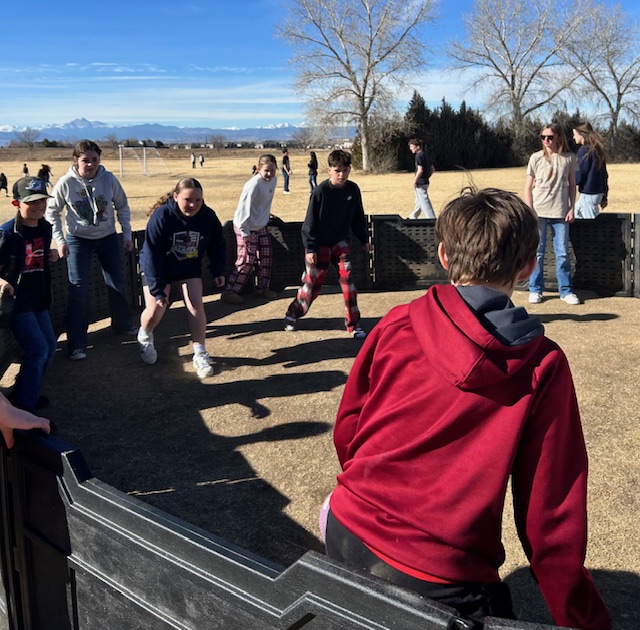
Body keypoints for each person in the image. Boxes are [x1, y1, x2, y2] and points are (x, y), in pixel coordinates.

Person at [325, 187, 611, 629]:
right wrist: (585, 620)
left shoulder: (396, 322)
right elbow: (550, 518)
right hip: (443, 577)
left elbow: (348, 429)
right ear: (530, 265)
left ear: (442, 254)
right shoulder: (542, 365)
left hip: (344, 525)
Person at [46, 140, 137, 361]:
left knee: (116, 281)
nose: (90, 164)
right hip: (78, 240)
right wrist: (60, 240)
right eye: (85, 160)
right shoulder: (66, 183)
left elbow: (122, 206)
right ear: (76, 160)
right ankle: (77, 343)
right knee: (78, 289)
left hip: (106, 237)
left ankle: (123, 324)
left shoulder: (109, 179)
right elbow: (52, 212)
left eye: (95, 160)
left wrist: (126, 234)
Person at [137, 178, 225, 379]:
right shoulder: (162, 216)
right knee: (156, 309)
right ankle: (145, 334)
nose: (193, 205)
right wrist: (158, 289)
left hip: (187, 267)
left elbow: (216, 244)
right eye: (187, 199)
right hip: (159, 267)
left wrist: (218, 271)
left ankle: (200, 352)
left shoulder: (208, 217)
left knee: (195, 304)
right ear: (176, 197)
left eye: (198, 200)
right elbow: (151, 254)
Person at [284, 149, 372, 339]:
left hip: (341, 243)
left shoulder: (353, 190)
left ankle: (353, 324)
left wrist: (364, 239)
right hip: (319, 244)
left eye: (346, 170)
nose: (342, 175)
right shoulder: (320, 191)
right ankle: (293, 313)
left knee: (349, 284)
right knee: (312, 286)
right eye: (337, 170)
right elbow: (309, 222)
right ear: (329, 170)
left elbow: (358, 217)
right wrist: (310, 248)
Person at [0, 177, 59, 414]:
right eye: (32, 202)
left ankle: (24, 391)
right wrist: (1, 281)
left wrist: (50, 255)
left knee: (50, 347)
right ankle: (25, 405)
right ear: (16, 203)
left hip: (38, 299)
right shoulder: (7, 233)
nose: (39, 206)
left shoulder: (45, 228)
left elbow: (38, 259)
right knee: (38, 349)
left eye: (43, 200)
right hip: (17, 304)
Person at [524, 123, 579, 305]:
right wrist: (529, 209)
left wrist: (572, 207)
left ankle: (566, 290)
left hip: (561, 211)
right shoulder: (536, 158)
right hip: (539, 211)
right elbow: (528, 187)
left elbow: (572, 185)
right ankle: (535, 289)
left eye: (550, 137)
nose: (546, 141)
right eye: (543, 137)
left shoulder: (569, 158)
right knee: (537, 253)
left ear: (558, 138)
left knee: (562, 253)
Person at [221, 155, 278, 305]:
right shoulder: (253, 185)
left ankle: (262, 288)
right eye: (266, 170)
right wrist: (244, 230)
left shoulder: (273, 180)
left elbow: (263, 204)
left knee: (267, 256)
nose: (270, 173)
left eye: (272, 170)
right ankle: (230, 291)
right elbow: (243, 207)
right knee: (246, 260)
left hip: (261, 225)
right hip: (245, 226)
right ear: (259, 169)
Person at [573, 122, 609, 220]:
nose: (573, 137)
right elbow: (604, 175)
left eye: (575, 134)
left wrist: (571, 181)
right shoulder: (598, 150)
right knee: (577, 213)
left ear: (582, 134)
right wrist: (604, 195)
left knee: (591, 222)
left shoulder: (584, 151)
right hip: (597, 192)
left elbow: (581, 172)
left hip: (589, 192)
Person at [407, 138, 435, 219]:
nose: (411, 148)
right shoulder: (425, 154)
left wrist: (415, 181)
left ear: (417, 146)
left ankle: (431, 218)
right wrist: (427, 177)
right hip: (425, 182)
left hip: (420, 183)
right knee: (419, 201)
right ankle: (413, 216)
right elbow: (432, 168)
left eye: (412, 146)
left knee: (424, 201)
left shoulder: (418, 156)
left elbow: (420, 169)